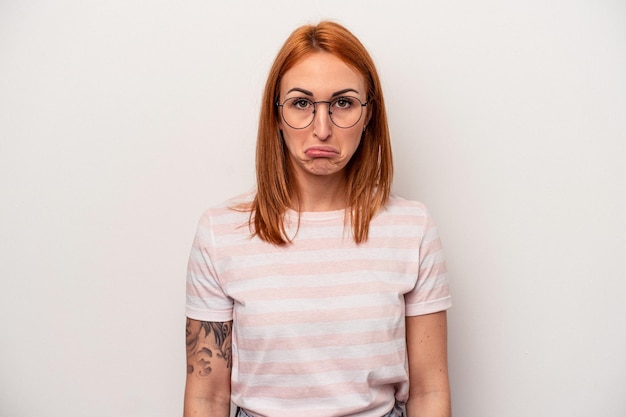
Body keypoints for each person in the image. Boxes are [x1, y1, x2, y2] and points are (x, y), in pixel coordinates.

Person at [184, 21, 451, 417]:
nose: (321, 129)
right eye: (301, 103)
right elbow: (207, 397)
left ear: (368, 115)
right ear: (276, 114)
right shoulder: (220, 232)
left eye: (342, 103)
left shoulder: (411, 228)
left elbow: (429, 391)